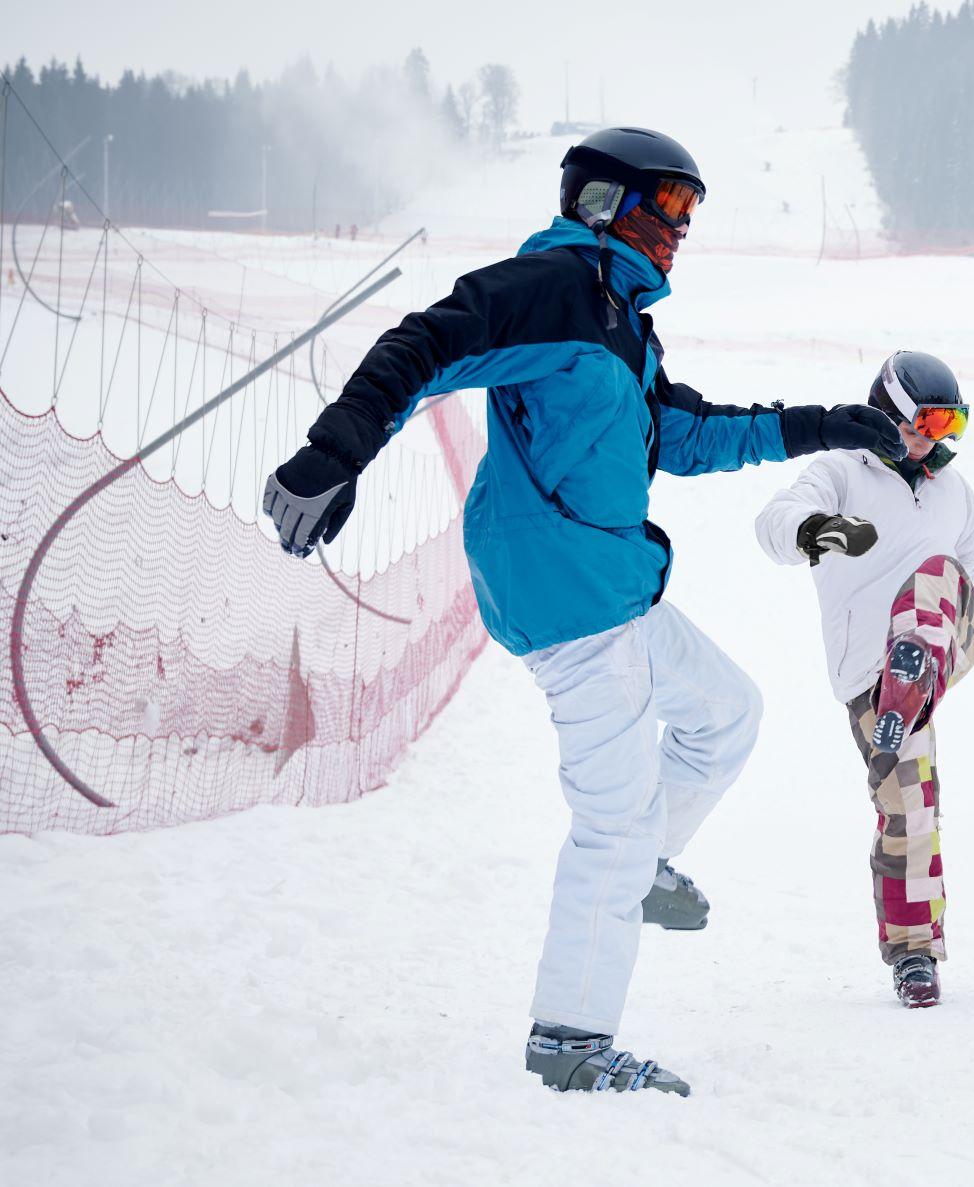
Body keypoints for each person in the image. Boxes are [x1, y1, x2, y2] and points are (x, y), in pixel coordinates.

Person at [261, 127, 905, 1096]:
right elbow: (428, 342)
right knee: (612, 819)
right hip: (566, 594)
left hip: (611, 584)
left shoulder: (619, 321)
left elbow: (682, 433)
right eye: (668, 204)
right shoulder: (558, 287)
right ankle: (572, 1037)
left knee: (726, 713)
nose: (682, 228)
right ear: (603, 201)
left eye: (694, 209)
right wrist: (337, 449)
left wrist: (819, 424)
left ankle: (644, 867)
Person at [753, 351, 974, 1008]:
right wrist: (816, 531)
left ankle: (912, 672)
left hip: (942, 634)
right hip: (870, 680)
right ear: (888, 411)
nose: (936, 437)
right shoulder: (841, 472)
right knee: (909, 810)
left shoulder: (949, 493)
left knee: (938, 571)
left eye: (949, 424)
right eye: (926, 420)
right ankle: (913, 953)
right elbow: (773, 521)